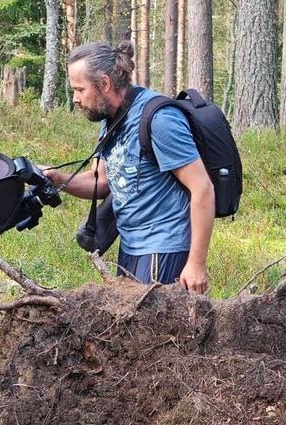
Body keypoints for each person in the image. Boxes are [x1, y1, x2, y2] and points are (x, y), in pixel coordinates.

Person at [44, 40, 215, 293]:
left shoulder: (160, 120)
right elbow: (101, 181)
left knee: (155, 333)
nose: (75, 99)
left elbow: (202, 188)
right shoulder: (111, 118)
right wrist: (55, 178)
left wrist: (196, 264)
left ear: (104, 84)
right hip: (131, 247)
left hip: (163, 250)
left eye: (80, 90)